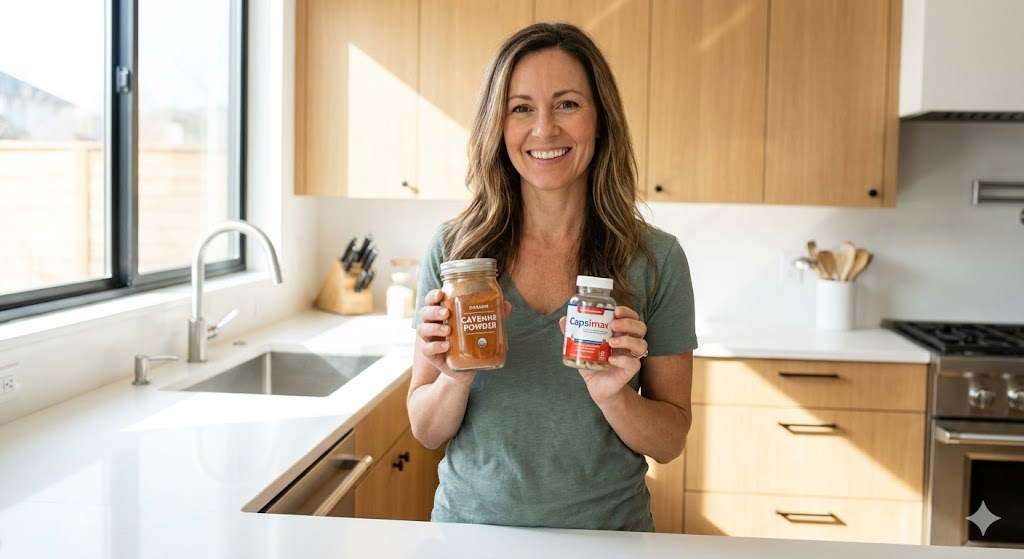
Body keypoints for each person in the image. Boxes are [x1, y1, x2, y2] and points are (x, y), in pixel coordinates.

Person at [408, 21, 697, 532]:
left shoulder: (655, 259)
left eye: (567, 104)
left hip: (609, 537)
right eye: (521, 108)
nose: (544, 130)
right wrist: (455, 375)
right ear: (498, 126)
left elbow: (670, 441)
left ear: (600, 119)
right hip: (471, 534)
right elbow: (426, 430)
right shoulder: (458, 257)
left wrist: (614, 395)